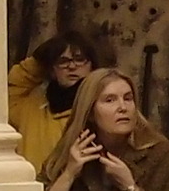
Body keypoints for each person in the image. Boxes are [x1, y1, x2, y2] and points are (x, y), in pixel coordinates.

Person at [42, 67, 169, 191]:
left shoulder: (161, 154)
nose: (123, 107)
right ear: (90, 113)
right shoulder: (70, 151)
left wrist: (130, 188)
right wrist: (69, 174)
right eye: (110, 100)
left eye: (128, 98)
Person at [6, 29, 103, 177]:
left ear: (92, 66)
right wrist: (41, 57)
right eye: (63, 61)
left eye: (79, 59)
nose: (72, 66)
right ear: (52, 70)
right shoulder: (30, 108)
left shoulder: (102, 109)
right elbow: (15, 84)